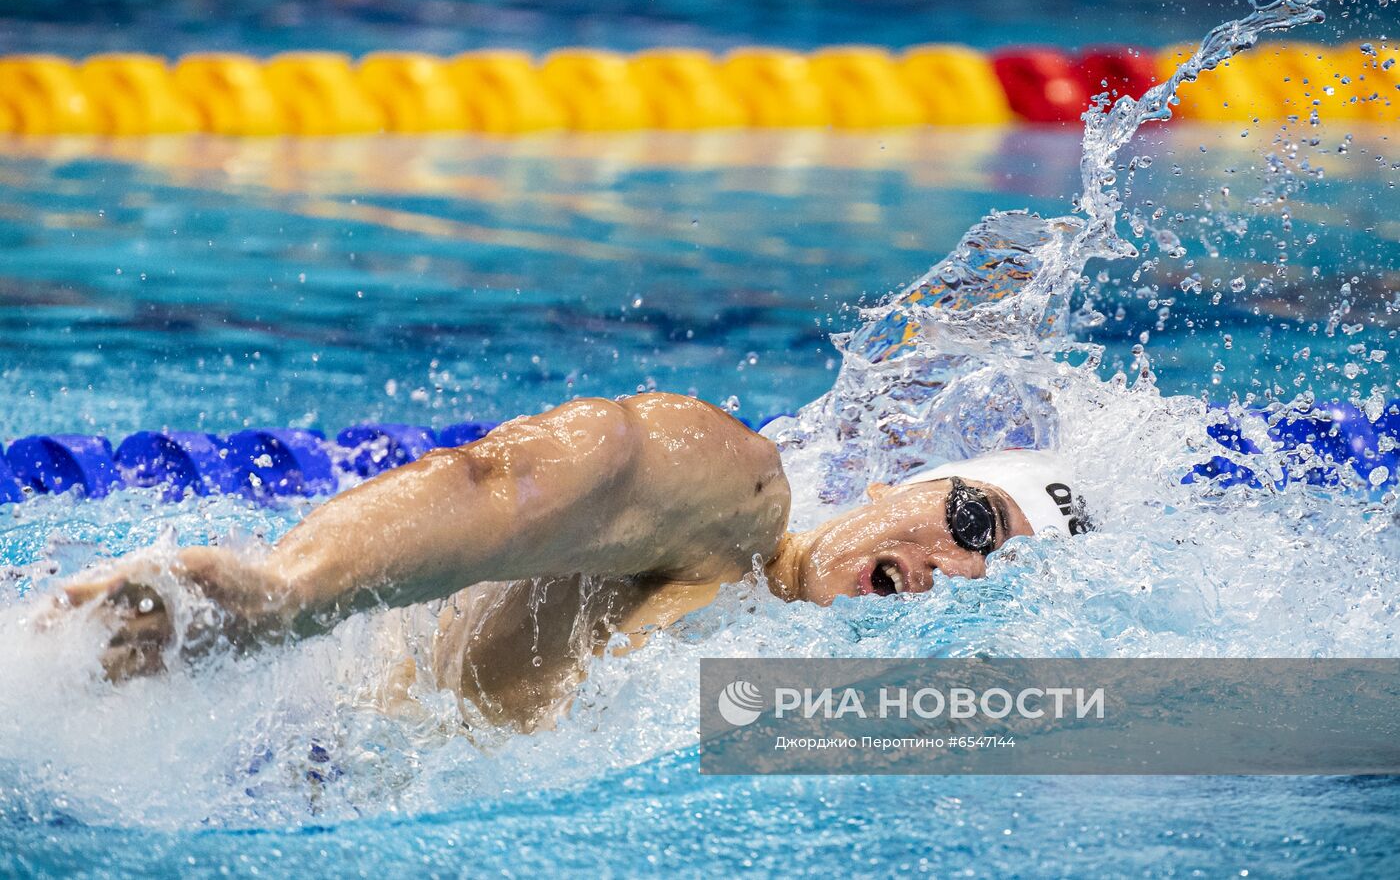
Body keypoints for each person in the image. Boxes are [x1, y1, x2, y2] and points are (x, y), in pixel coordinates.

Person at [53, 393, 1088, 729]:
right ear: (896, 479)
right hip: (284, 748)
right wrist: (288, 595)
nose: (956, 569)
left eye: (995, 573)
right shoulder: (736, 507)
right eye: (972, 519)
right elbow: (532, 478)